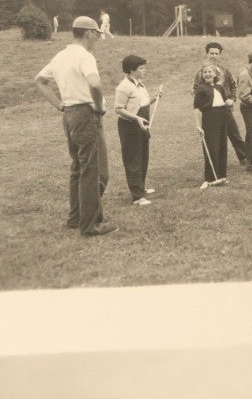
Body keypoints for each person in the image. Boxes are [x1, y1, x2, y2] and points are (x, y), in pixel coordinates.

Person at [34, 14, 114, 238]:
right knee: (94, 171)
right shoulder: (85, 56)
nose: (97, 39)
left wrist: (60, 105)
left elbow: (39, 80)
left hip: (69, 114)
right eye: (96, 34)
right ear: (88, 33)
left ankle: (76, 218)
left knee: (78, 167)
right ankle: (90, 225)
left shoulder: (60, 55)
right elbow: (95, 84)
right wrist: (99, 107)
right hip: (86, 114)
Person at [113, 54, 161, 205]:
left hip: (142, 124)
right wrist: (136, 119)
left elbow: (142, 104)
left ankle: (141, 188)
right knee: (133, 159)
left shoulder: (140, 84)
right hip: (130, 126)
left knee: (143, 157)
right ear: (131, 69)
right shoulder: (123, 87)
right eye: (141, 68)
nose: (144, 70)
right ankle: (137, 196)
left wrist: (154, 98)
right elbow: (118, 109)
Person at [189, 41, 248, 164]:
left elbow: (233, 85)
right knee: (214, 138)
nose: (214, 56)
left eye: (216, 53)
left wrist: (232, 99)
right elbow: (195, 90)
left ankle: (244, 158)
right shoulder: (201, 72)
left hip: (226, 109)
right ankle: (215, 162)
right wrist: (205, 103)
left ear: (220, 55)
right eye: (211, 53)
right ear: (207, 54)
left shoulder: (225, 71)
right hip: (210, 113)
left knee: (235, 134)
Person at [193, 62, 232, 188]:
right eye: (205, 72)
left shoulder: (219, 87)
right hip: (210, 118)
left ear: (215, 74)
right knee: (211, 148)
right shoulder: (201, 89)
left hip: (223, 117)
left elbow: (225, 101)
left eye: (210, 72)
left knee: (222, 146)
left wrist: (231, 100)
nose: (207, 74)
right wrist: (198, 126)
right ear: (202, 75)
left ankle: (221, 176)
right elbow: (196, 109)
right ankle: (210, 179)